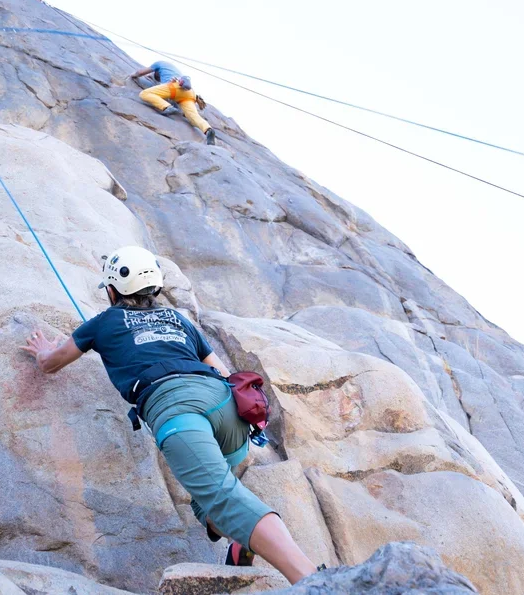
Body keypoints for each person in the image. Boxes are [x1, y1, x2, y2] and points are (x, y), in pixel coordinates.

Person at [20, 245, 317, 583]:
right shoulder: (178, 320)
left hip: (178, 412)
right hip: (228, 415)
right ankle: (240, 539)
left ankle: (311, 579)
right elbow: (224, 374)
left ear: (113, 290)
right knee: (208, 499)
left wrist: (43, 350)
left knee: (225, 499)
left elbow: (51, 363)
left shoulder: (103, 323)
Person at [131, 61, 216, 145]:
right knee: (193, 116)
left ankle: (167, 107)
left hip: (175, 86)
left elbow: (139, 73)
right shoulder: (175, 70)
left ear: (156, 72)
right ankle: (208, 130)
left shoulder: (159, 63)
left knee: (145, 94)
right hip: (189, 92)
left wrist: (133, 75)